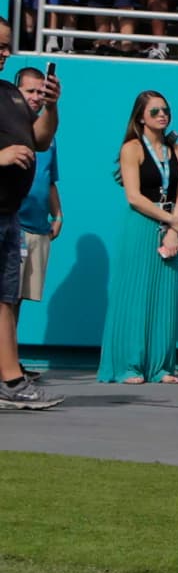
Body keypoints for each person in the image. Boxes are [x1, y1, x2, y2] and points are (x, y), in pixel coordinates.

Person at [97, 91, 178, 384]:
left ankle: (160, 366)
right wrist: (171, 219)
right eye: (155, 111)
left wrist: (175, 230)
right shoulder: (132, 149)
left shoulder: (176, 150)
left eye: (166, 110)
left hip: (169, 228)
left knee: (164, 297)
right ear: (140, 117)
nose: (162, 115)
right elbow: (134, 197)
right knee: (135, 294)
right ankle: (130, 365)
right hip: (141, 225)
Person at [0, 28, 60, 409]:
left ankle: (10, 381)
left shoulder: (8, 93)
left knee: (5, 299)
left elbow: (39, 138)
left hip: (9, 214)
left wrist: (51, 106)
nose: (4, 51)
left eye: (7, 45)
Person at [13, 66, 58, 375]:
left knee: (17, 300)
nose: (35, 97)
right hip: (13, 225)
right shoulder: (8, 126)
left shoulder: (47, 134)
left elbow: (49, 179)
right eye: (30, 91)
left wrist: (58, 212)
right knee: (6, 296)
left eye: (40, 92)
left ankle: (8, 362)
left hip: (38, 227)